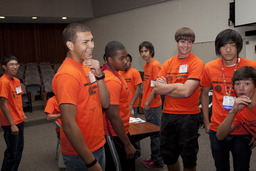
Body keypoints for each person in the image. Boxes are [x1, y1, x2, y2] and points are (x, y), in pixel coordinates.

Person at [52, 23, 110, 171]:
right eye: (85, 42)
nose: (91, 45)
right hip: (81, 153)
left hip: (98, 143)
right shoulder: (67, 75)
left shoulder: (87, 66)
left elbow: (105, 103)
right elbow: (68, 124)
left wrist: (99, 75)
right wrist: (90, 162)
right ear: (70, 45)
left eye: (92, 40)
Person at [201, 29, 256, 171]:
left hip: (243, 129)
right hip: (217, 127)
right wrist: (206, 122)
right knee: (221, 167)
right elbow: (205, 94)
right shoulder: (210, 67)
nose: (228, 49)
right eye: (224, 45)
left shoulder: (251, 66)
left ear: (238, 46)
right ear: (218, 48)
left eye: (232, 44)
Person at [154, 27, 204, 171]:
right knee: (169, 156)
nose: (186, 45)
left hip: (188, 117)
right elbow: (157, 88)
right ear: (176, 42)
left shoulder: (197, 63)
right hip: (168, 116)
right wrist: (177, 85)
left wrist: (167, 87)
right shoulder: (168, 63)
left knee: (189, 158)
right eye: (183, 41)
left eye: (189, 42)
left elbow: (187, 91)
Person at [102, 41, 136, 171]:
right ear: (109, 59)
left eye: (126, 57)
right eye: (121, 58)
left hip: (121, 131)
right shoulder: (111, 80)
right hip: (113, 134)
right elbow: (113, 116)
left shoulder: (117, 74)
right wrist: (127, 143)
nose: (125, 61)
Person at [139, 41, 164, 169]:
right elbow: (147, 86)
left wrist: (147, 102)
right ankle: (153, 156)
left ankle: (158, 162)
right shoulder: (146, 65)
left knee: (155, 134)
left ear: (151, 51)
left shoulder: (155, 65)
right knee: (152, 133)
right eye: (142, 51)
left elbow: (156, 88)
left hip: (153, 105)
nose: (143, 54)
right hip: (147, 105)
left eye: (146, 51)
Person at [216, 66, 256, 144]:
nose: (241, 88)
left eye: (247, 83)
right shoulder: (240, 108)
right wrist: (233, 111)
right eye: (237, 84)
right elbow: (220, 136)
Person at [0, 55, 27, 171]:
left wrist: (22, 114)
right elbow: (3, 104)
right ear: (4, 67)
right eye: (12, 64)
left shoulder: (16, 81)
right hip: (11, 123)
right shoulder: (3, 82)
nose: (15, 67)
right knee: (12, 154)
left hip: (19, 120)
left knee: (18, 150)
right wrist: (12, 124)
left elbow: (17, 99)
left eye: (16, 64)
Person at [119, 53, 142, 159]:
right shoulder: (119, 72)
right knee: (124, 128)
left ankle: (137, 151)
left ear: (130, 62)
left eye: (127, 61)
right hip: (122, 106)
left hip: (133, 105)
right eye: (123, 60)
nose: (125, 63)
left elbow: (138, 89)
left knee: (133, 129)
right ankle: (127, 149)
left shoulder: (135, 72)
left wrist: (132, 102)